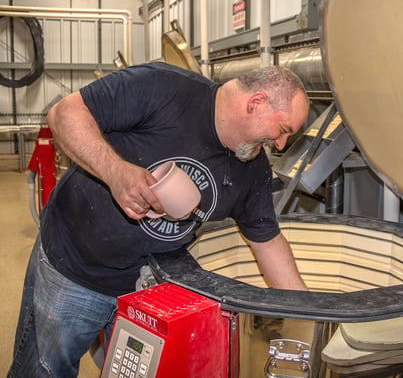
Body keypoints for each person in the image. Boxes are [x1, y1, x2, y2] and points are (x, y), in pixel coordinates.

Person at [8, 62, 310, 378]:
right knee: (45, 369)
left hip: (152, 291)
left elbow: (268, 241)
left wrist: (309, 319)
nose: (280, 145)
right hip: (75, 267)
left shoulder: (253, 168)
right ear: (256, 103)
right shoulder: (161, 87)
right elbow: (63, 114)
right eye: (284, 129)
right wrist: (116, 173)